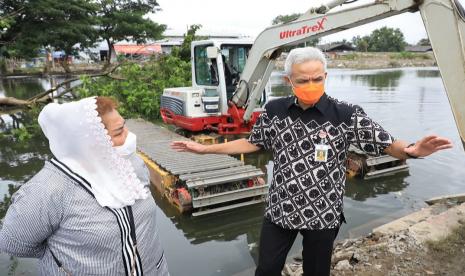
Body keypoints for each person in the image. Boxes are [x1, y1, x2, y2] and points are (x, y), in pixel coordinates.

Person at [170, 47, 453, 276]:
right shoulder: (275, 110)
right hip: (281, 209)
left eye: (317, 78)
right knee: (267, 269)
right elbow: (254, 142)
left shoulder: (345, 114)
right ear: (289, 81)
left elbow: (387, 143)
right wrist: (205, 150)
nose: (311, 85)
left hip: (322, 213)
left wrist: (413, 149)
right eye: (303, 80)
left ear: (325, 76)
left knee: (317, 272)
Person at [0, 96, 169, 275]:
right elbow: (13, 243)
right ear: (89, 142)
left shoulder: (130, 165)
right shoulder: (48, 190)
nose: (129, 135)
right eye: (119, 132)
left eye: (124, 126)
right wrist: (58, 253)